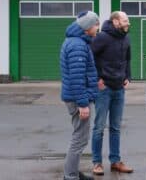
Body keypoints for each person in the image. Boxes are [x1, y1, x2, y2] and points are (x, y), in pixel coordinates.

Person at [90, 11, 133, 175]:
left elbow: (128, 59)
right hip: (104, 88)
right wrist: (97, 78)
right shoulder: (101, 37)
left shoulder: (126, 38)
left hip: (119, 88)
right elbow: (90, 58)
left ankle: (115, 161)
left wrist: (128, 76)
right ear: (115, 21)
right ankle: (97, 162)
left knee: (115, 127)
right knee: (99, 127)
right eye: (125, 20)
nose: (127, 23)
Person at [60, 11, 99, 180]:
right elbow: (76, 78)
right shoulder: (78, 45)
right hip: (78, 100)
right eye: (96, 24)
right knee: (79, 138)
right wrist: (83, 104)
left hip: (76, 96)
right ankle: (70, 176)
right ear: (87, 27)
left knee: (80, 137)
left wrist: (95, 82)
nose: (98, 27)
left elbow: (81, 73)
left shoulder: (76, 41)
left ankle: (73, 172)